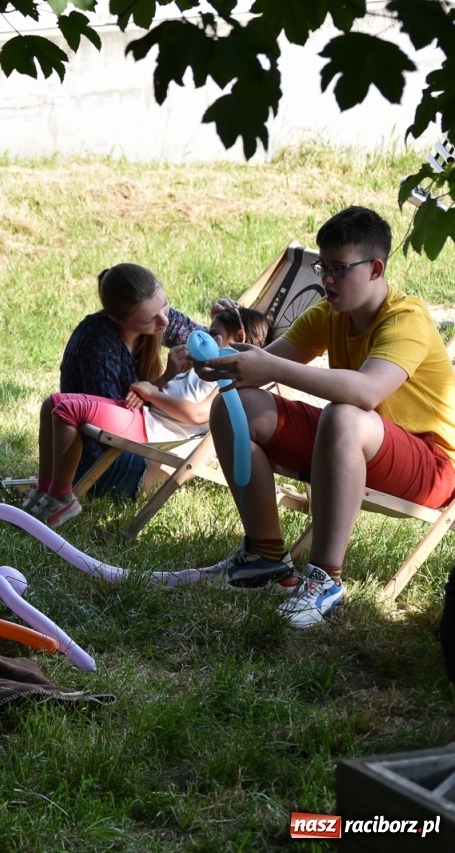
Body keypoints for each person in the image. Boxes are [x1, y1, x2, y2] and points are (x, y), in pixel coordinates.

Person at [194, 207, 455, 627]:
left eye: (338, 269)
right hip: (357, 443)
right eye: (323, 266)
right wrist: (223, 363)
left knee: (345, 413)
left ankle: (324, 579)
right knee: (234, 404)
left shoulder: (406, 319)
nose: (326, 279)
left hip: (431, 467)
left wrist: (271, 367)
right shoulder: (329, 313)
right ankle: (264, 557)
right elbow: (263, 366)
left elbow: (367, 391)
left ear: (375, 269)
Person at [26, 305, 271, 528]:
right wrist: (169, 375)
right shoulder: (205, 366)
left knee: (68, 411)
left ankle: (61, 497)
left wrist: (153, 394)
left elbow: (197, 414)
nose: (205, 338)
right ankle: (44, 490)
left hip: (149, 430)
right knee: (53, 403)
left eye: (213, 334)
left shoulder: (232, 380)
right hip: (141, 414)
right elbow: (167, 392)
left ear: (239, 338)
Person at [57, 263, 206, 498]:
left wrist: (229, 319)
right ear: (118, 320)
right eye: (148, 321)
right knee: (207, 443)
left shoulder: (157, 316)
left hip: (137, 443)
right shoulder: (100, 343)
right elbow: (113, 426)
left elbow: (210, 343)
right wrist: (165, 379)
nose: (164, 322)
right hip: (100, 464)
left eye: (165, 304)